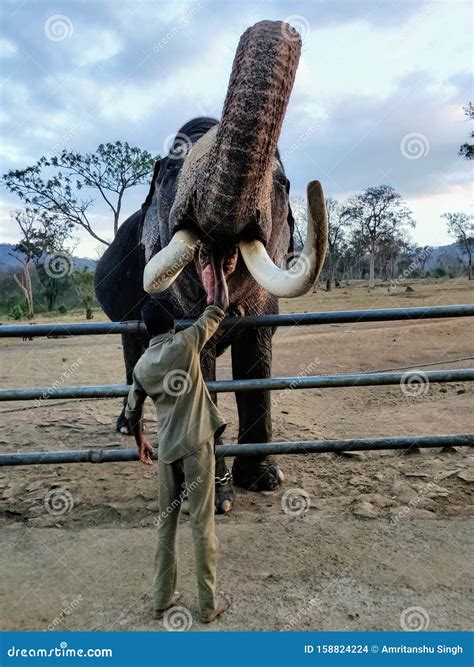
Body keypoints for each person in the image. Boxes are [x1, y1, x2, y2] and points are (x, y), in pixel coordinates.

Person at [125, 285, 230, 624]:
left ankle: (161, 600)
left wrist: (141, 441)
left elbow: (131, 412)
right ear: (172, 325)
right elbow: (218, 308)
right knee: (202, 524)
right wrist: (218, 274)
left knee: (166, 524)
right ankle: (208, 603)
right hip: (197, 446)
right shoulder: (186, 343)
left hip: (167, 450)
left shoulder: (142, 366)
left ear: (147, 330)